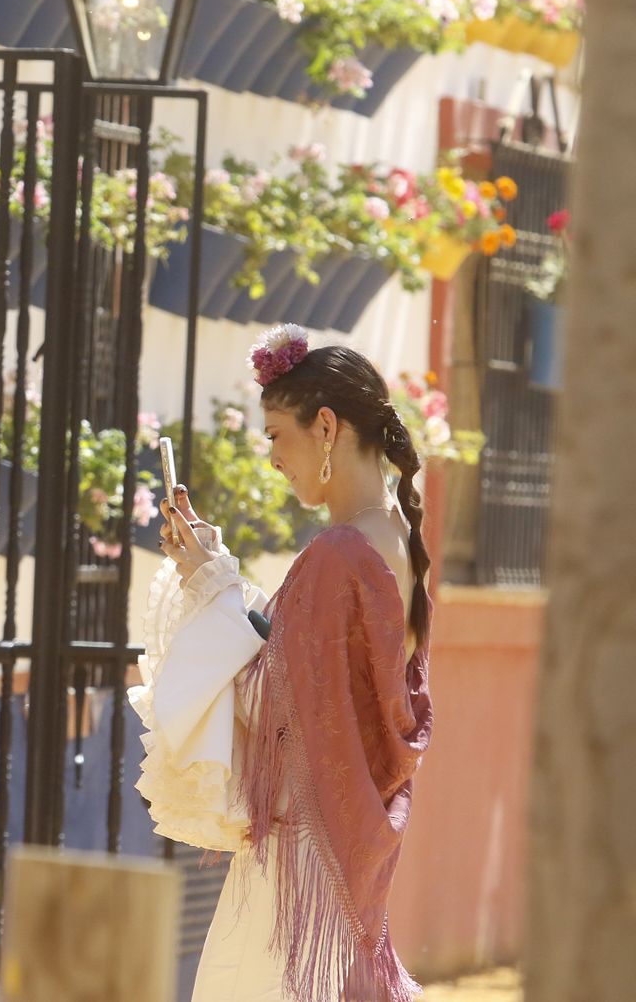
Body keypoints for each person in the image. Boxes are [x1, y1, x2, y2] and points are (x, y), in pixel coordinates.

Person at [130, 325, 434, 1002]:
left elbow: (278, 707)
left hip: (299, 863)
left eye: (274, 434)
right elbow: (314, 668)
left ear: (324, 427)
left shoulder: (339, 555)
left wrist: (211, 590)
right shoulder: (395, 538)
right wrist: (213, 576)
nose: (270, 456)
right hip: (337, 860)